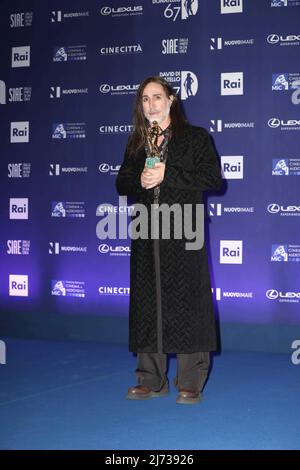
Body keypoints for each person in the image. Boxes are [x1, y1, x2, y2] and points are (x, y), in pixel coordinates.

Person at [115, 76, 222, 405]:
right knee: (148, 303)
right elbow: (121, 182)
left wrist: (167, 173)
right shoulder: (138, 142)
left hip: (184, 230)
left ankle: (190, 382)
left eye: (157, 97)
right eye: (145, 99)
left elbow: (212, 178)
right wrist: (140, 178)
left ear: (171, 100)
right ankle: (150, 379)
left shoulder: (195, 137)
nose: (151, 105)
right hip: (147, 231)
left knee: (188, 302)